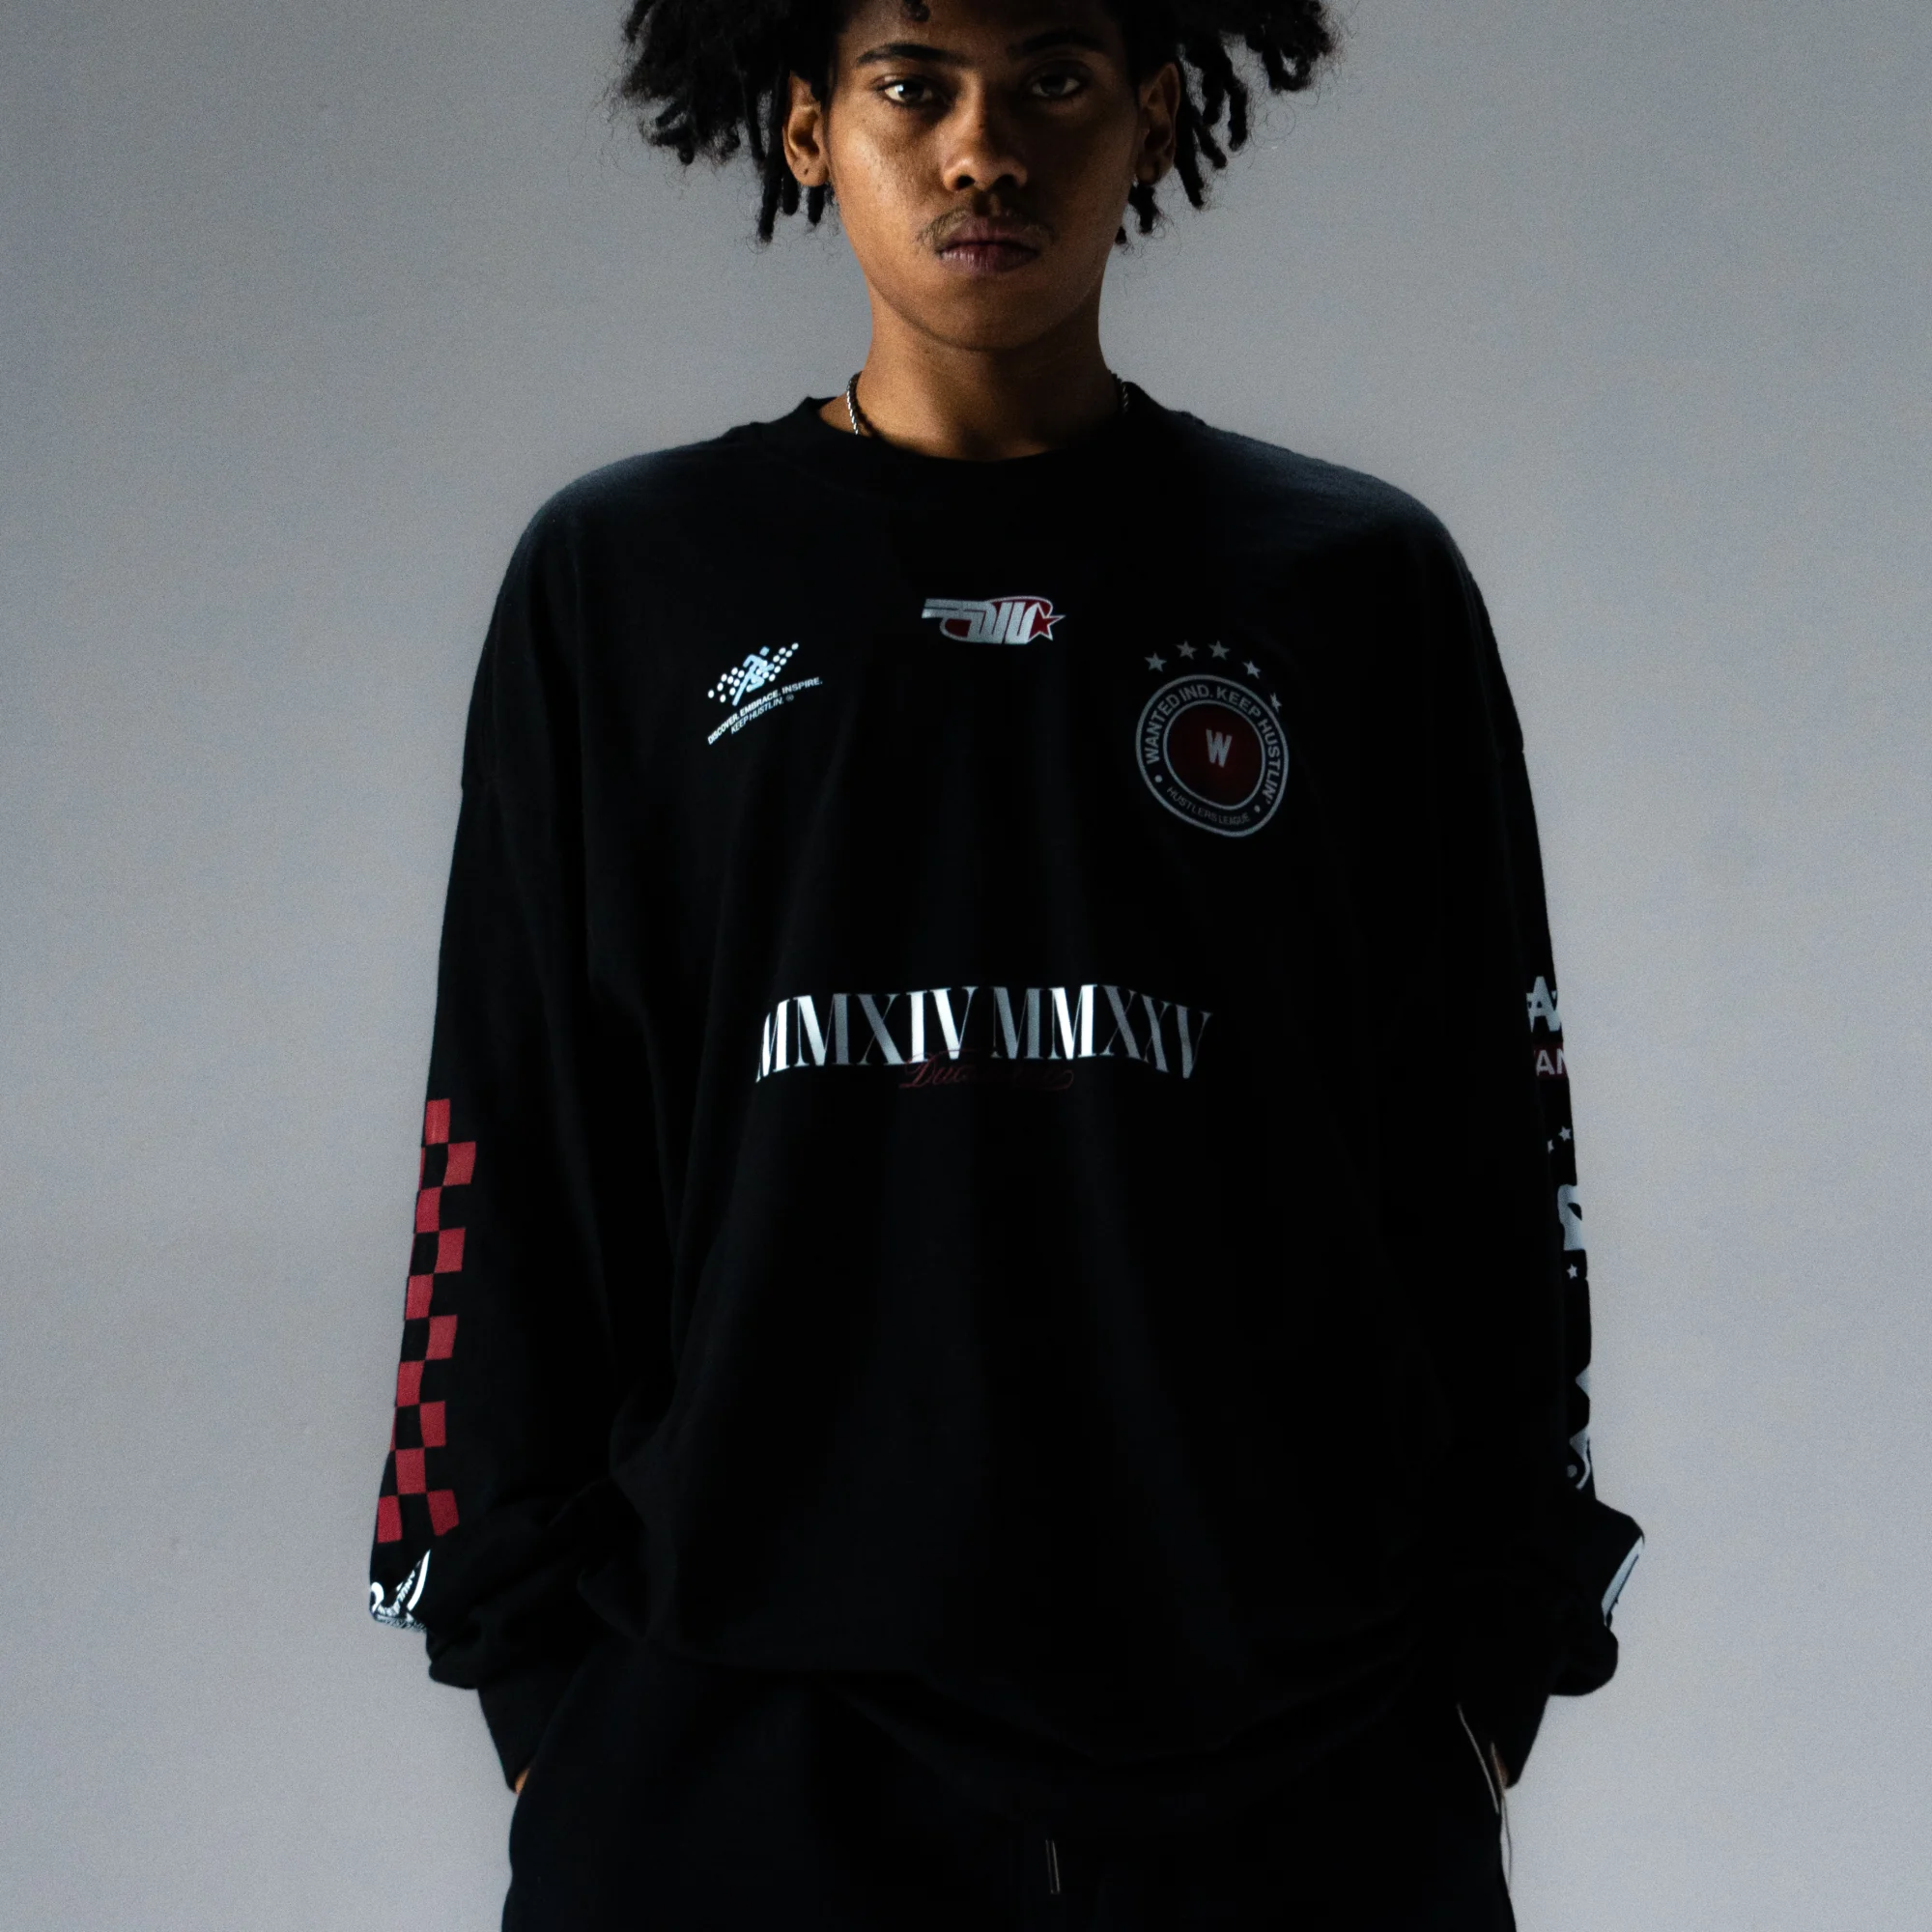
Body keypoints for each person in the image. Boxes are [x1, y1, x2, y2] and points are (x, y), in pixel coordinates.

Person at [366, 0, 1644, 1922]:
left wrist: (1484, 1672)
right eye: (914, 86)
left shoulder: (1348, 582)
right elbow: (508, 1138)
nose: (983, 149)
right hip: (732, 1746)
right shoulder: (627, 581)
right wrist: (546, 1688)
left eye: (1052, 80)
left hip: (1293, 1757)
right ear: (809, 127)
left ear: (1152, 117)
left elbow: (1491, 1145)